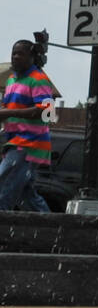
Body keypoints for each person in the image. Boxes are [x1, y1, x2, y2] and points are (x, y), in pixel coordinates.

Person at [0, 35, 54, 213]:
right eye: (13, 53)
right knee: (26, 195)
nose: (15, 57)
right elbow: (6, 108)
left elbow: (48, 113)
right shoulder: (11, 81)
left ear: (32, 57)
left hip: (30, 143)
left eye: (20, 54)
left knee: (4, 183)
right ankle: (52, 229)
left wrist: (8, 112)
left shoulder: (38, 79)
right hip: (14, 142)